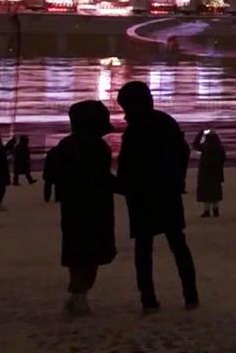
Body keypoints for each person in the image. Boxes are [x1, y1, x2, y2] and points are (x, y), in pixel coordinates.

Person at [114, 81, 198, 313]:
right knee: (177, 244)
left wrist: (122, 185)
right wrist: (177, 179)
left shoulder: (135, 129)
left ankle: (149, 299)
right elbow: (183, 151)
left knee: (144, 249)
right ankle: (191, 295)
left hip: (142, 195)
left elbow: (128, 164)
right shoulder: (165, 121)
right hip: (167, 192)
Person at [50, 101, 117, 316]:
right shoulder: (97, 147)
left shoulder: (67, 145)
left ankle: (77, 291)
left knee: (77, 252)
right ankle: (80, 293)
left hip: (73, 206)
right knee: (91, 254)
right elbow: (103, 178)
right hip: (96, 206)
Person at [191, 130, 226, 218]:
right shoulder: (220, 147)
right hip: (216, 171)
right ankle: (215, 210)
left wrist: (200, 133)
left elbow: (195, 144)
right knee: (215, 191)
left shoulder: (205, 147)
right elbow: (223, 159)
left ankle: (206, 210)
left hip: (205, 172)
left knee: (205, 191)